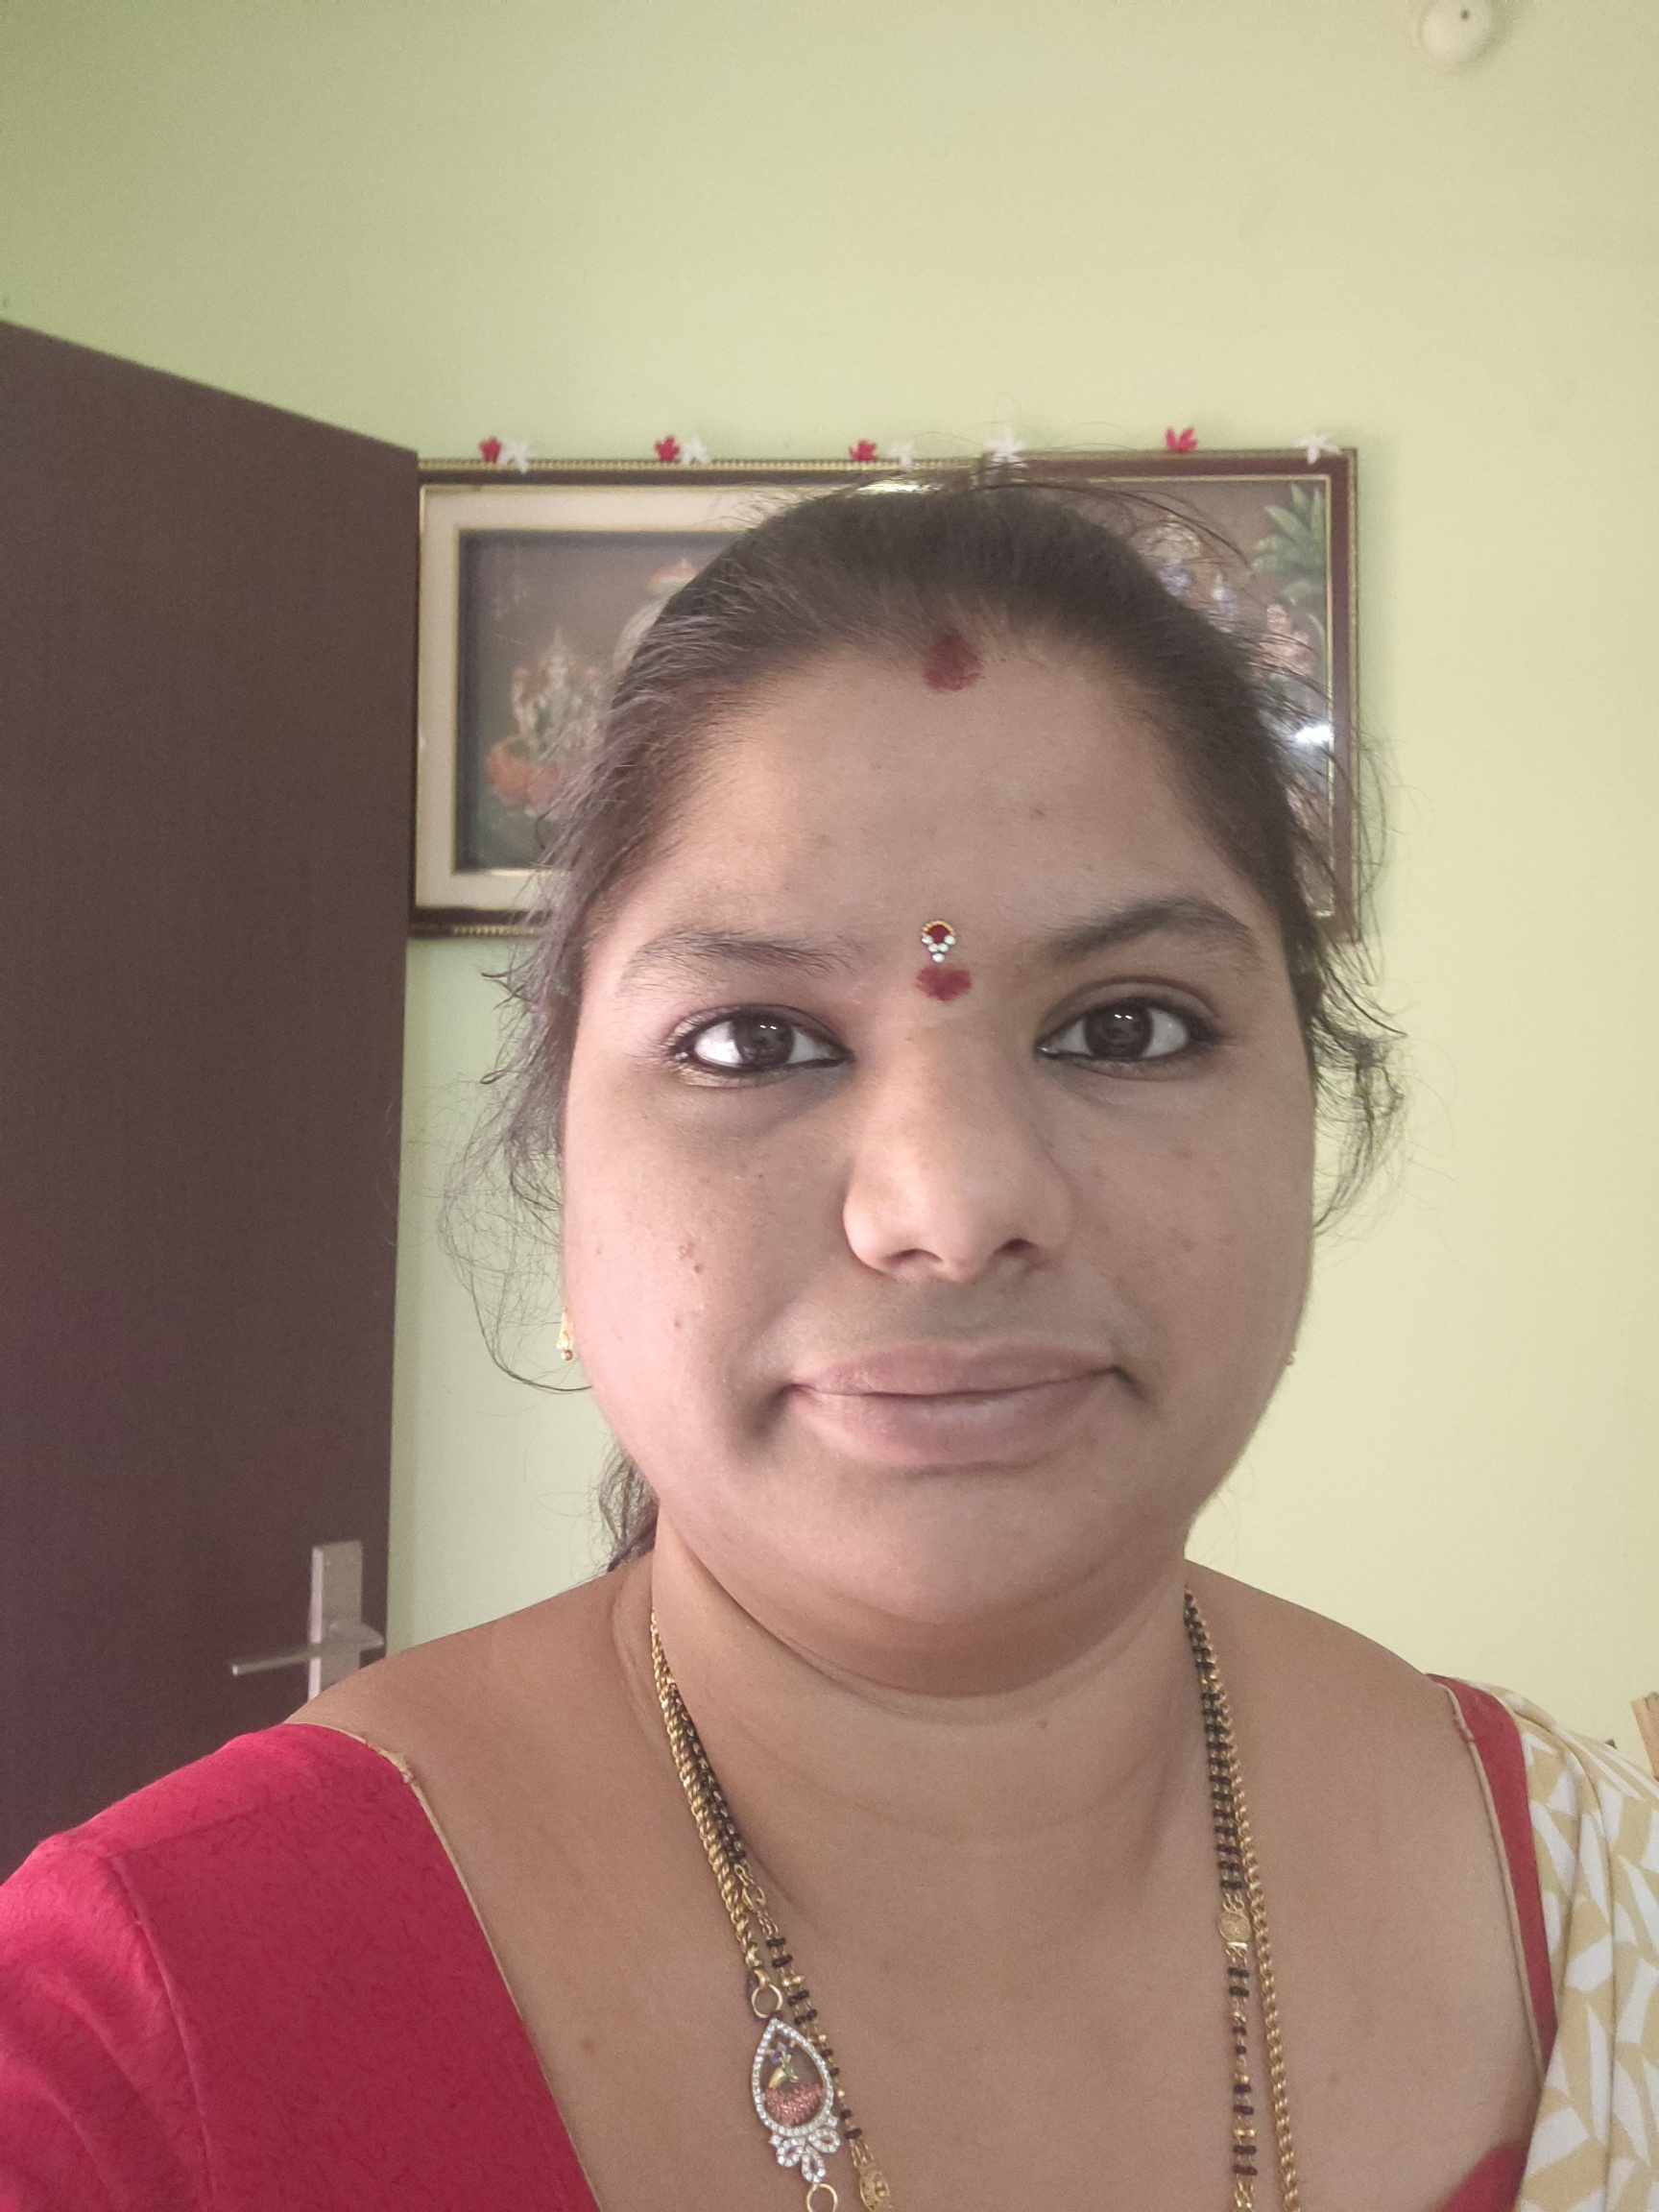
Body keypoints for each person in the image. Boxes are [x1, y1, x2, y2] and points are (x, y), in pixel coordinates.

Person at [3, 474, 1655, 2212]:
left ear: (1312, 1111)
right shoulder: (134, 2047)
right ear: (562, 1159)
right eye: (753, 1043)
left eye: (1127, 1026)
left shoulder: (1596, 1920)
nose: (952, 1205)